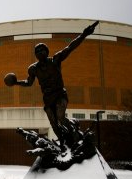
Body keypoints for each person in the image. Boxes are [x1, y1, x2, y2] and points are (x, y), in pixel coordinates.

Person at [9, 21, 98, 150]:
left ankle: (74, 130)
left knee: (61, 117)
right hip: (48, 98)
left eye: (42, 50)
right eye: (37, 51)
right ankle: (62, 142)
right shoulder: (33, 69)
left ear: (47, 51)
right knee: (54, 123)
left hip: (60, 94)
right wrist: (16, 82)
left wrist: (84, 34)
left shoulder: (55, 60)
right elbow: (29, 83)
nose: (40, 52)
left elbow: (70, 47)